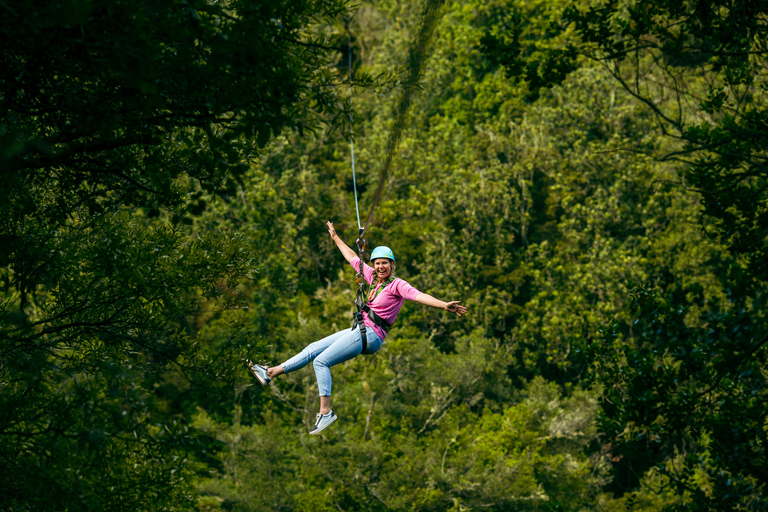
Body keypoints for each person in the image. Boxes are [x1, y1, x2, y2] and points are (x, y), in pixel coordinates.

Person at [247, 221, 467, 435]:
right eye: (377, 263)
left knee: (321, 362)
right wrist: (335, 238)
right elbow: (352, 256)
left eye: (385, 263)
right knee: (313, 348)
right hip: (360, 329)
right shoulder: (370, 276)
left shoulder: (397, 285)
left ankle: (326, 412)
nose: (381, 267)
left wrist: (443, 304)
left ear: (392, 265)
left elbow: (419, 296)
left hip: (371, 336)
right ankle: (270, 372)